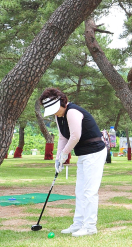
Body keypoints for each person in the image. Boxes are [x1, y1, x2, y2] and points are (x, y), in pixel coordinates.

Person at [39, 88, 107, 237]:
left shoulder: (72, 112)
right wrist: (58, 158)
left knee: (89, 191)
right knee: (80, 190)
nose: (54, 113)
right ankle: (78, 224)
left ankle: (89, 227)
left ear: (61, 102)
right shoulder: (60, 117)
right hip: (83, 155)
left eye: (55, 109)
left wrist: (64, 154)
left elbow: (75, 136)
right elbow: (63, 138)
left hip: (95, 153)